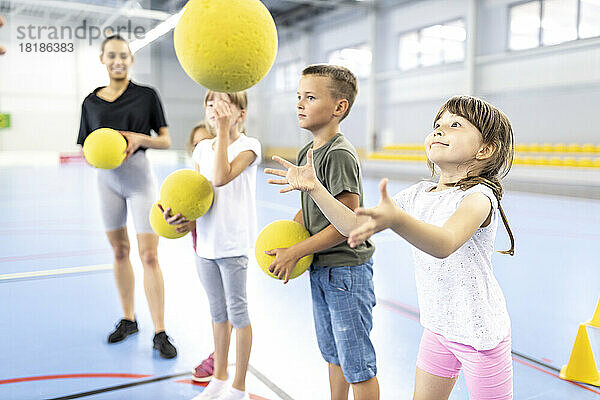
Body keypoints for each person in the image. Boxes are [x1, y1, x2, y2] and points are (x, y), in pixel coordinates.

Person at [267, 95, 516, 400]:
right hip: (438, 328)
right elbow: (354, 227)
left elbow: (444, 243)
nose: (439, 130)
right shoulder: (419, 193)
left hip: (481, 335)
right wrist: (316, 189)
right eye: (437, 125)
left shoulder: (478, 197)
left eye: (455, 125)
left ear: (485, 149)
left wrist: (397, 220)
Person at [265, 64, 379, 400]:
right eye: (299, 96)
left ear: (339, 107)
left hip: (346, 272)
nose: (300, 103)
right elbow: (311, 208)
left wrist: (297, 251)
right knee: (334, 355)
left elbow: (345, 224)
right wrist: (291, 236)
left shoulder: (340, 153)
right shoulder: (307, 152)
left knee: (357, 363)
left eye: (310, 97)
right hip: (322, 270)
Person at [77, 34, 176, 359]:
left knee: (149, 255)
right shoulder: (90, 103)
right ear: (103, 60)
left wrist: (137, 138)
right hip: (106, 181)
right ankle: (128, 318)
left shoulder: (146, 96)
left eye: (123, 55)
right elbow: (85, 148)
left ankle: (160, 331)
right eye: (112, 56)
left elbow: (165, 140)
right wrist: (97, 155)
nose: (118, 61)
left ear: (131, 60)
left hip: (139, 178)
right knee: (120, 251)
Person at [162, 90, 260, 400]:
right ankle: (218, 380)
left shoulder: (249, 147)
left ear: (240, 114)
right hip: (205, 246)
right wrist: (182, 220)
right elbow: (199, 197)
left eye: (224, 102)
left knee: (238, 316)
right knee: (218, 315)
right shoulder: (202, 149)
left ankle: (239, 387)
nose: (215, 107)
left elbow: (220, 177)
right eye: (209, 102)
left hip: (233, 247)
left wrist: (221, 131)